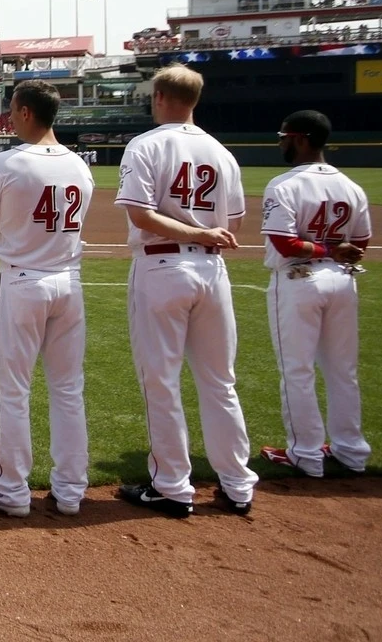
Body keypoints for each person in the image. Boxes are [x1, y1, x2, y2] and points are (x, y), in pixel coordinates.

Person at [113, 65, 257, 517]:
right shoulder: (222, 152)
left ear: (159, 96)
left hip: (162, 266)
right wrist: (204, 234)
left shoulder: (146, 144)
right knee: (220, 382)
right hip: (212, 273)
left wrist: (192, 235)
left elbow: (141, 215)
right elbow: (231, 226)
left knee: (161, 380)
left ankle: (173, 486)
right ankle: (237, 485)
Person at [0, 81, 92, 518]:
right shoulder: (80, 165)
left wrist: (17, 233)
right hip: (69, 283)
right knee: (68, 390)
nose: (10, 117)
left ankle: (12, 491)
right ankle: (71, 491)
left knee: (14, 391)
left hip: (22, 282)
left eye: (14, 110)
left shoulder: (6, 163)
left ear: (27, 113)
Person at [257, 110, 373, 478]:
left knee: (298, 370)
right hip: (342, 280)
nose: (280, 143)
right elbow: (361, 241)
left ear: (301, 138)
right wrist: (335, 251)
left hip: (300, 280)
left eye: (284, 136)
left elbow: (285, 242)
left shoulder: (284, 184)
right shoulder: (351, 186)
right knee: (343, 371)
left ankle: (305, 454)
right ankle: (351, 452)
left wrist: (323, 250)